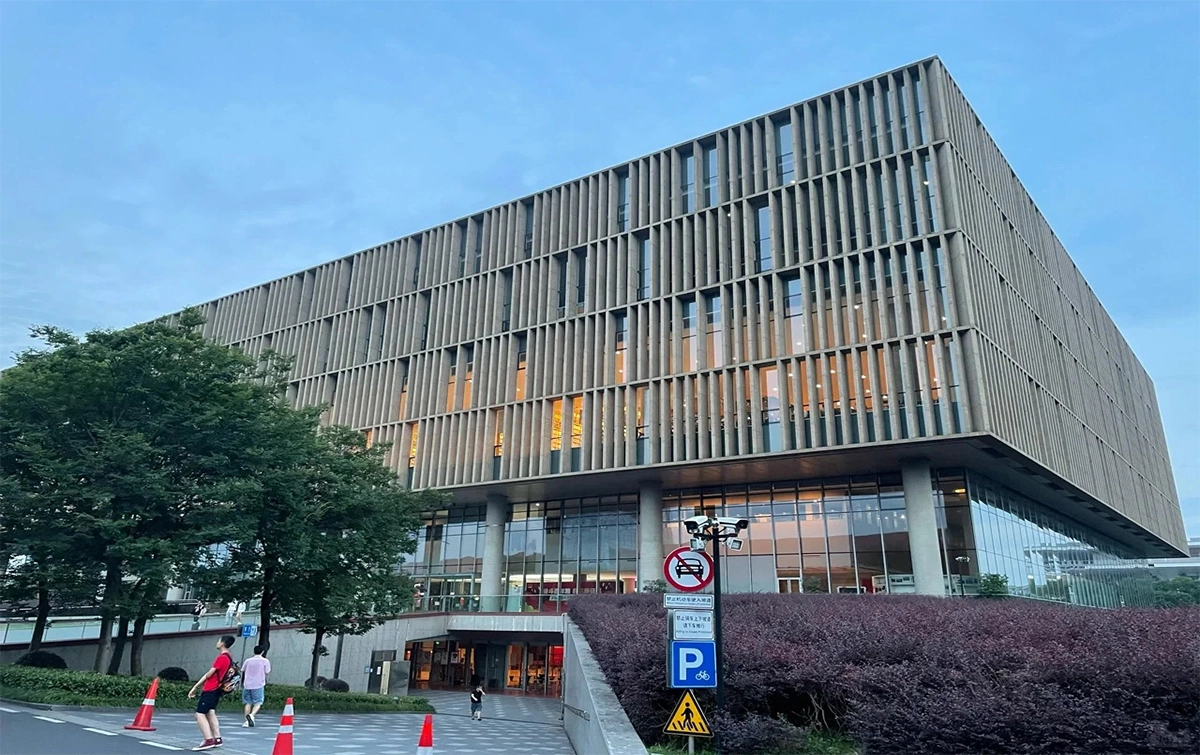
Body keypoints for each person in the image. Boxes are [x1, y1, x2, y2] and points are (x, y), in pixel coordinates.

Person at [187, 635, 236, 751]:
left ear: (222, 643)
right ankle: (217, 738)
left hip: (210, 688)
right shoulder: (229, 657)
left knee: (199, 714)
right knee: (210, 712)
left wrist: (195, 687)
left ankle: (208, 739)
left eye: (219, 641)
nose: (217, 643)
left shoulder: (221, 658)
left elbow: (209, 674)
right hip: (218, 689)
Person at [240, 644, 270, 728]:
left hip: (247, 684)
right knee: (258, 702)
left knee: (247, 702)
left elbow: (243, 670)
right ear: (262, 652)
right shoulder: (265, 661)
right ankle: (252, 715)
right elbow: (267, 672)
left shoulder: (248, 661)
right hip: (258, 684)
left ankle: (246, 721)